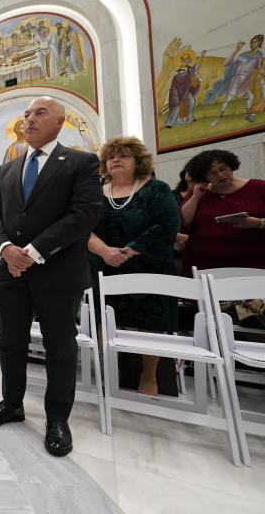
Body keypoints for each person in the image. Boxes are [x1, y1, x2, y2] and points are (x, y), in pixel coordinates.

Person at [0, 96, 100, 458]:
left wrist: (31, 252)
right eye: (26, 114)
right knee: (11, 341)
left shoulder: (80, 162)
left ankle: (57, 418)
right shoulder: (6, 169)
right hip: (10, 271)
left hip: (58, 271)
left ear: (61, 121)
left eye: (39, 113)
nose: (29, 119)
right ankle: (12, 403)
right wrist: (5, 251)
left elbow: (84, 215)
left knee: (59, 346)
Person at [86, 137, 180, 395]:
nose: (116, 159)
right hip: (103, 264)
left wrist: (128, 251)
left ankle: (148, 375)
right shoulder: (94, 192)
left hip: (147, 265)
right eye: (111, 156)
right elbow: (82, 226)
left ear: (138, 161)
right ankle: (110, 370)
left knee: (150, 319)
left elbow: (168, 224)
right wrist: (105, 251)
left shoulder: (156, 189)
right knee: (104, 316)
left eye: (124, 155)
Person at [180, 149, 265, 275]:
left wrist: (258, 223)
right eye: (212, 173)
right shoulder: (199, 193)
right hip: (205, 267)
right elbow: (183, 222)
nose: (220, 175)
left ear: (231, 166)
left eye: (223, 168)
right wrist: (196, 197)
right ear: (204, 177)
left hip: (253, 265)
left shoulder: (259, 188)